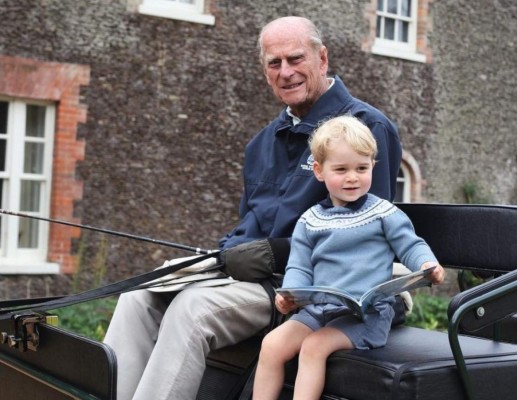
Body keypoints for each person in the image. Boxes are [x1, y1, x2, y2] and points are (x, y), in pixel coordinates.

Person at [103, 16, 402, 400]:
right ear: (265, 73)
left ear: (322, 59)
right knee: (140, 295)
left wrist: (271, 253)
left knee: (191, 310)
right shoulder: (261, 144)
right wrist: (224, 252)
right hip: (244, 277)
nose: (286, 72)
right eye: (274, 64)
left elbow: (367, 236)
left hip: (303, 290)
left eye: (295, 59)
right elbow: (250, 225)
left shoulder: (366, 128)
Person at [252, 116, 445, 400]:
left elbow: (410, 246)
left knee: (314, 347)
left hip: (366, 317)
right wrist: (290, 294)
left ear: (373, 167)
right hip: (319, 311)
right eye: (341, 169)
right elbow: (300, 266)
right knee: (271, 344)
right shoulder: (310, 220)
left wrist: (427, 264)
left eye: (361, 168)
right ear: (319, 171)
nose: (352, 177)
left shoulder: (383, 213)